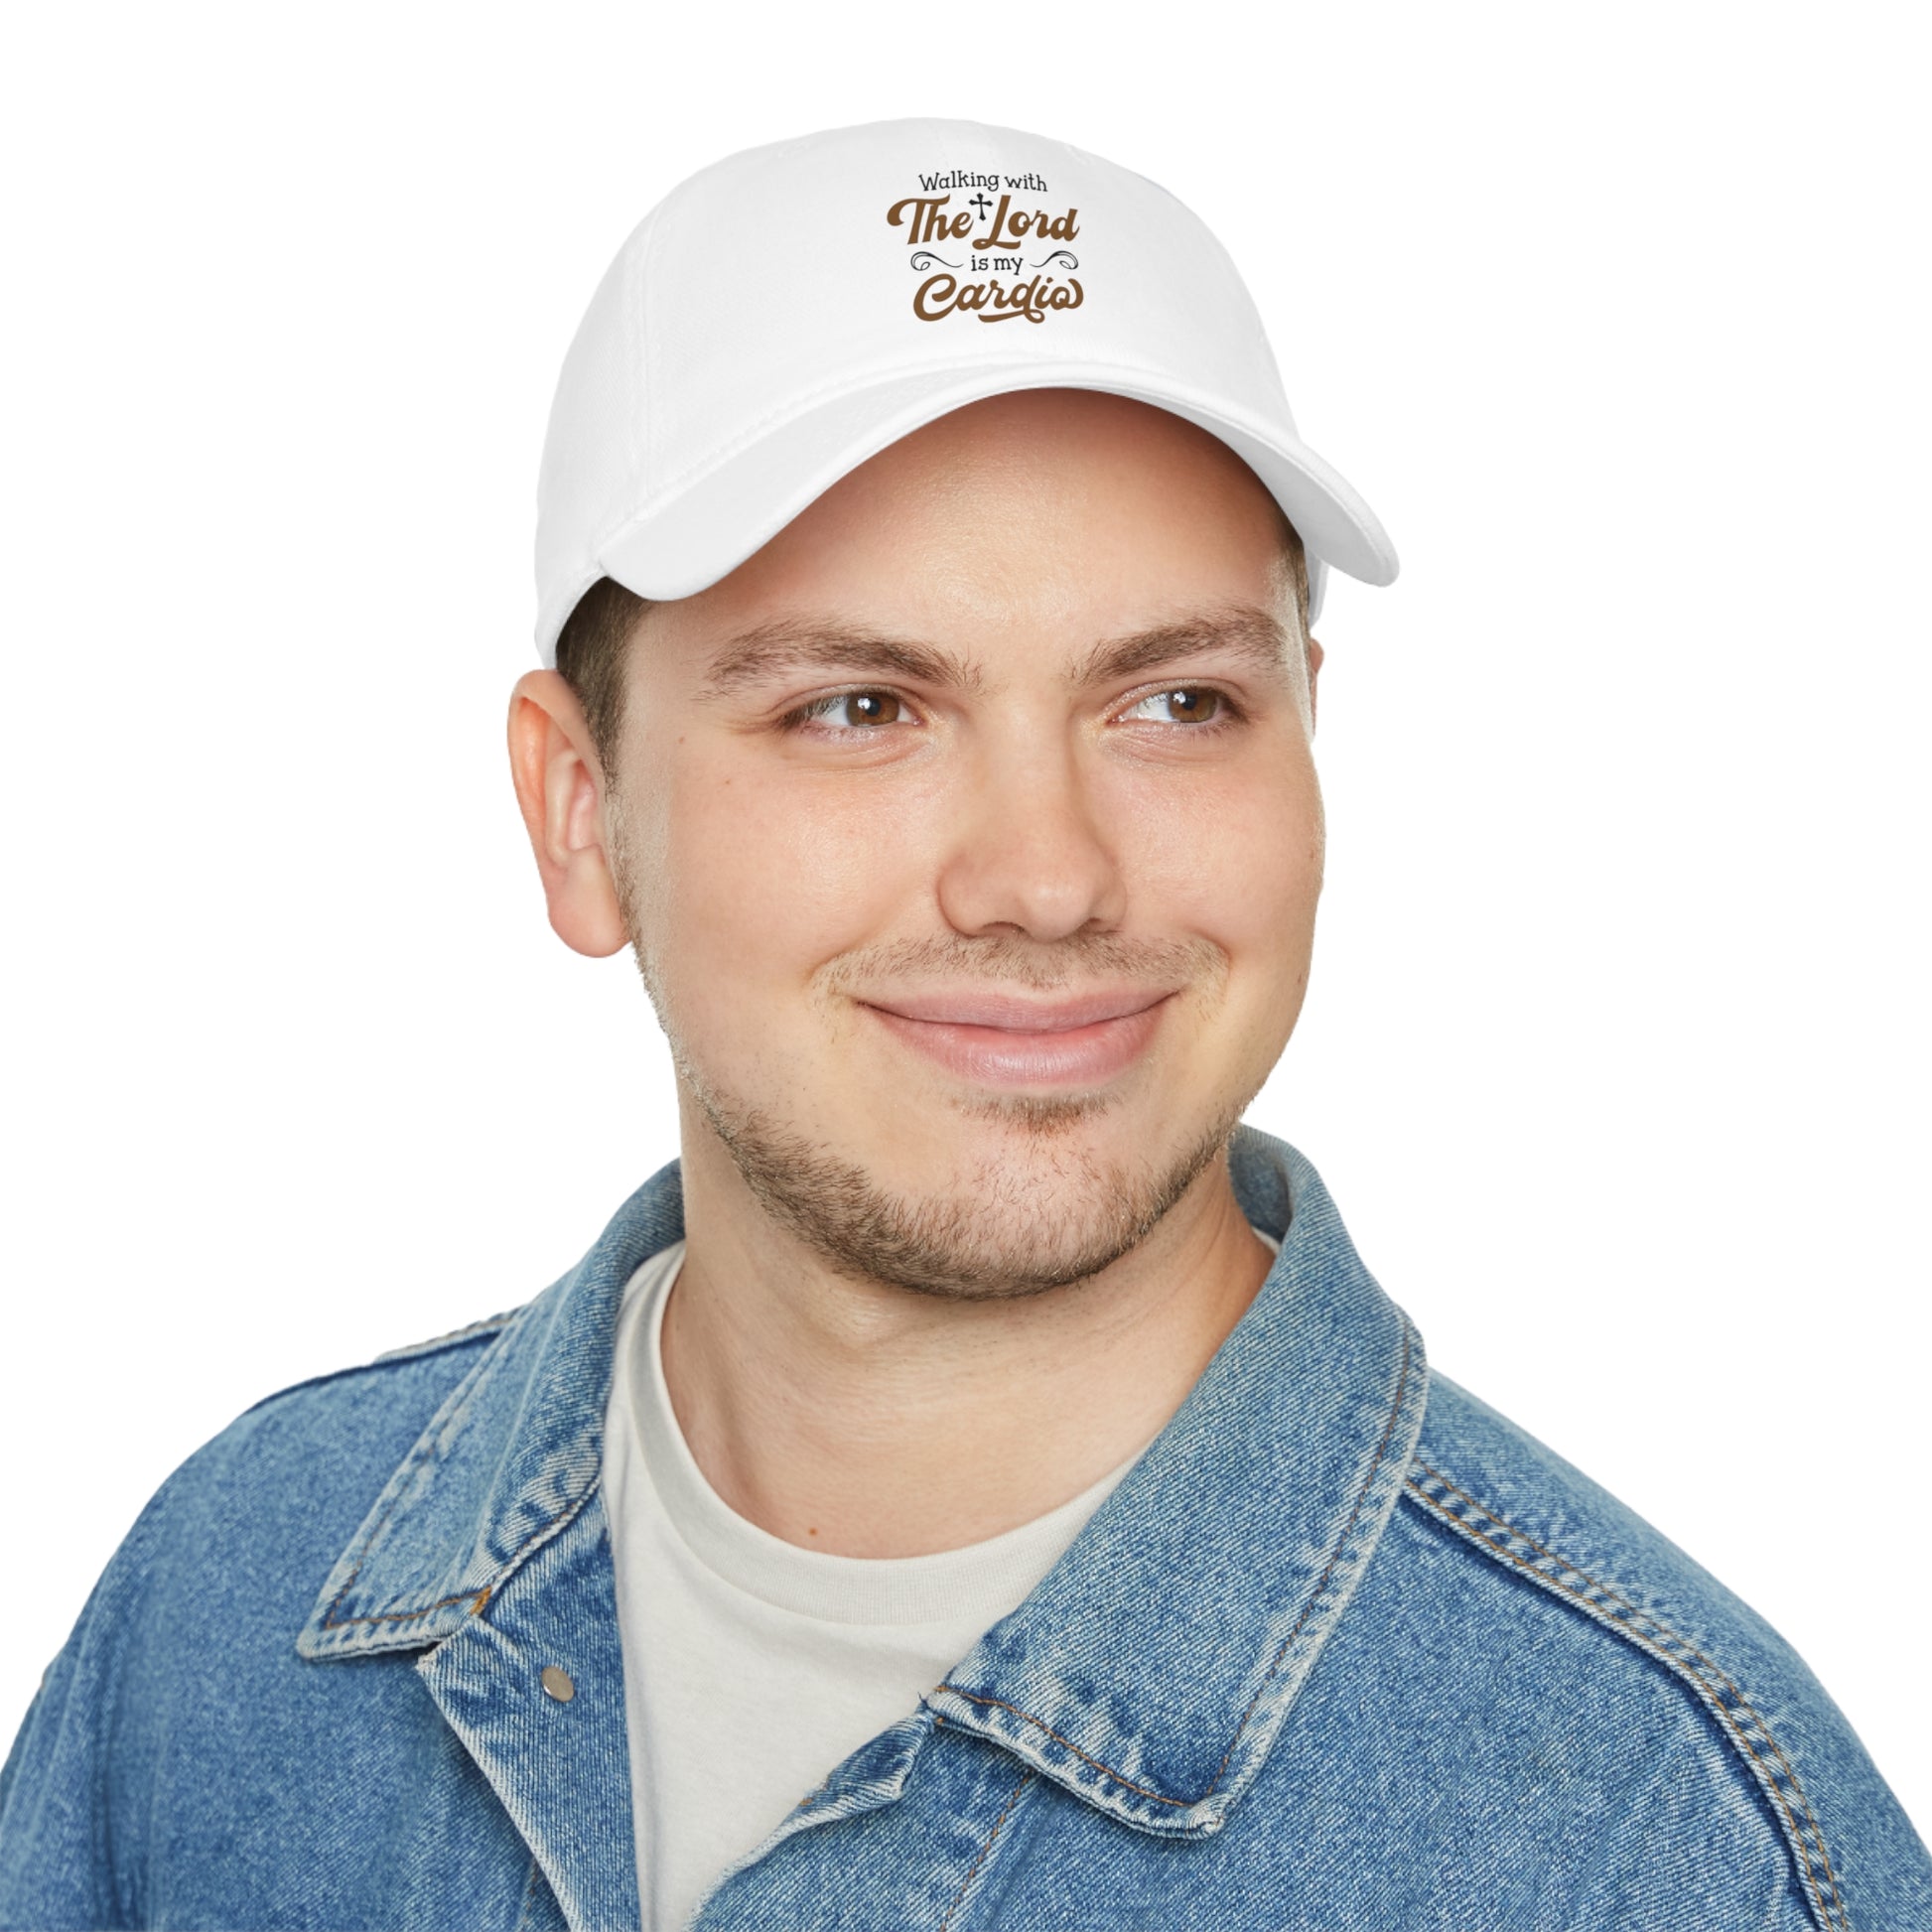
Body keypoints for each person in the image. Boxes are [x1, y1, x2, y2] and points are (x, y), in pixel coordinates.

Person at [0, 115, 1924, 1932]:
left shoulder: (1654, 1837)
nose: (1046, 877)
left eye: (1174, 702)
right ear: (579, 813)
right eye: (858, 707)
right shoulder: (231, 1604)